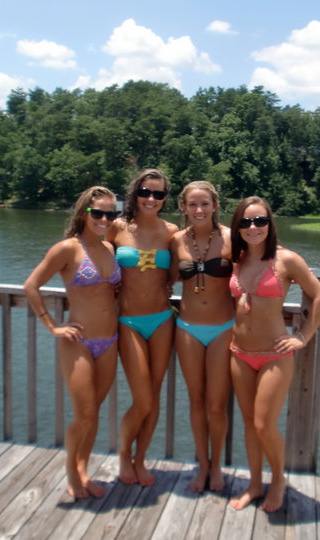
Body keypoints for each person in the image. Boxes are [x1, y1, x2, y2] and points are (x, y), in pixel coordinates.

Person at [227, 196, 320, 512]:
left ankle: (278, 481)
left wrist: (303, 336)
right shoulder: (237, 258)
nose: (253, 227)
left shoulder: (286, 260)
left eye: (259, 221)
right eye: (245, 222)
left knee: (264, 425)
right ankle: (255, 484)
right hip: (238, 352)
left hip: (274, 354)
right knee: (248, 422)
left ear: (270, 224)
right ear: (238, 227)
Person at [23, 186, 121, 500]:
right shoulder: (67, 248)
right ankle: (71, 473)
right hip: (79, 341)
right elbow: (31, 285)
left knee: (95, 413)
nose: (105, 219)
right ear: (84, 213)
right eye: (98, 213)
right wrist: (52, 326)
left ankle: (83, 470)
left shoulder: (110, 248)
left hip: (110, 340)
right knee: (85, 415)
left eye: (111, 213)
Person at [106, 168, 178, 485]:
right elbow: (88, 253)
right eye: (146, 192)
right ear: (135, 193)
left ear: (165, 198)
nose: (151, 198)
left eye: (158, 194)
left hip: (162, 320)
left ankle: (140, 458)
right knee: (143, 399)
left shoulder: (172, 232)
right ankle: (123, 456)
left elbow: (181, 269)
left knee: (155, 397)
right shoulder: (117, 228)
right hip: (129, 321)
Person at [169, 181, 234, 493]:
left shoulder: (233, 238)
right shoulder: (175, 241)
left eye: (204, 204)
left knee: (217, 405)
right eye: (192, 204)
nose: (198, 210)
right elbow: (161, 279)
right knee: (196, 400)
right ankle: (202, 465)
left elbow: (264, 262)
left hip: (224, 328)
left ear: (214, 205)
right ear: (183, 207)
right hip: (188, 329)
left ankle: (218, 464)